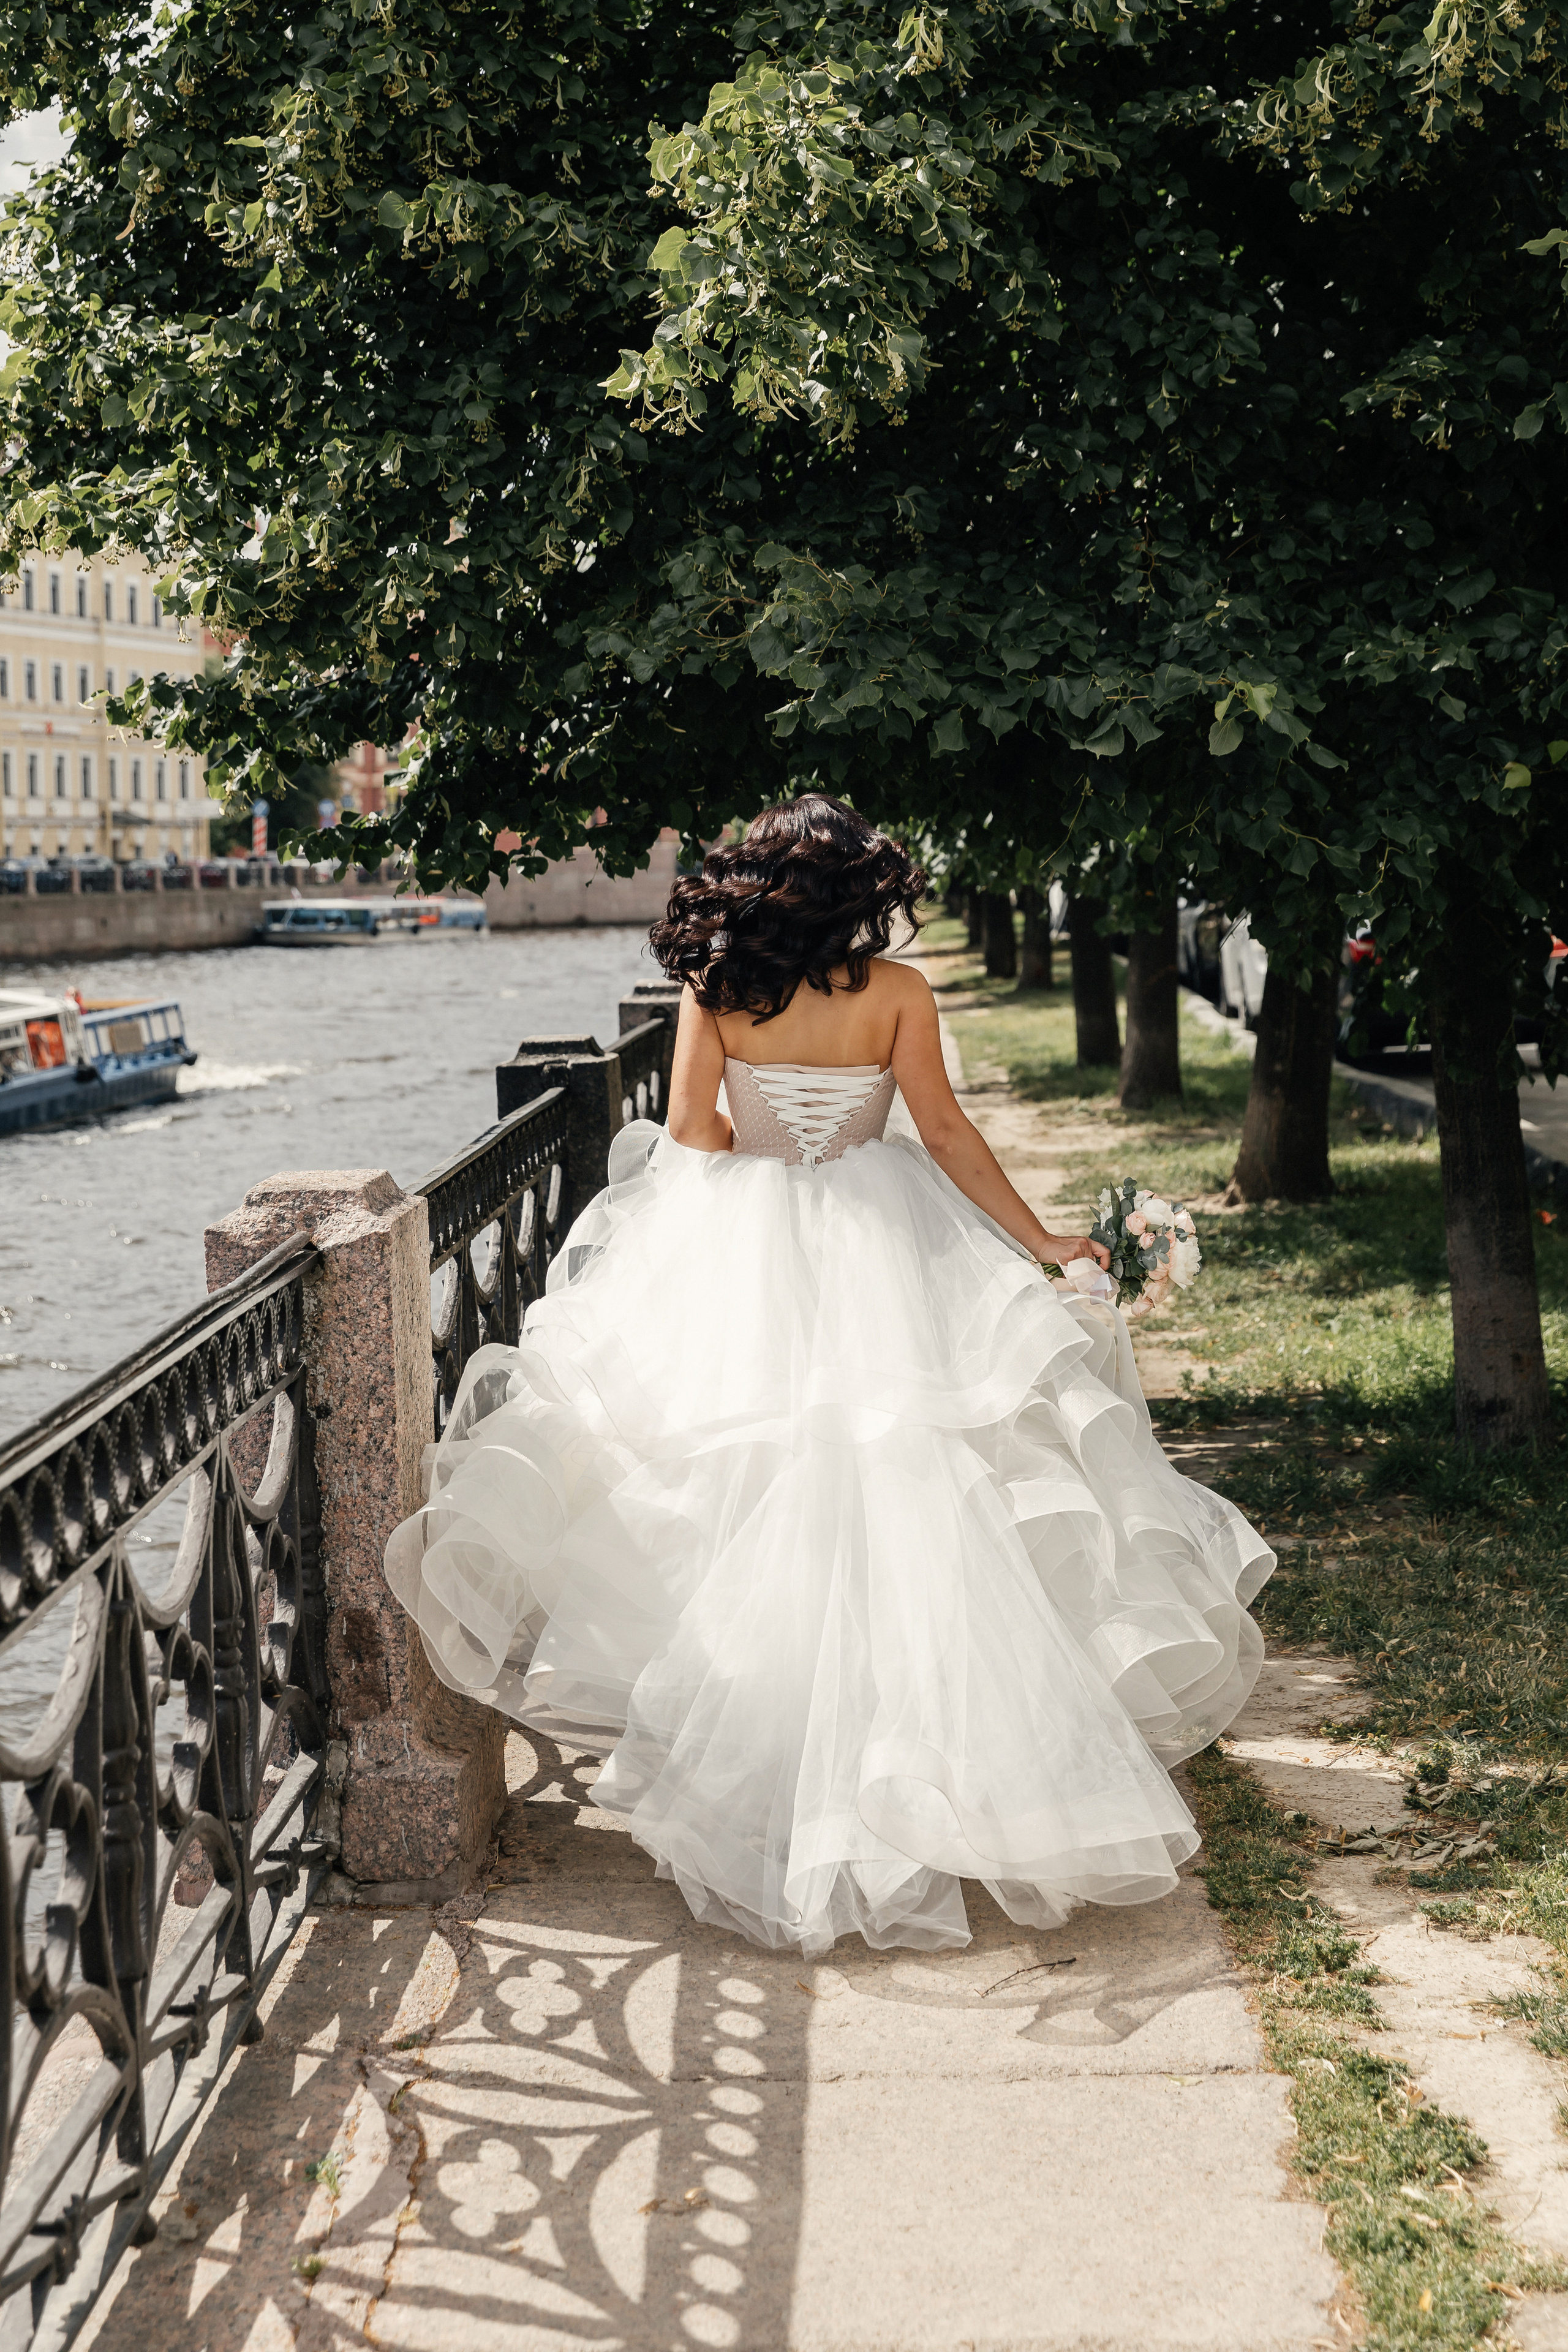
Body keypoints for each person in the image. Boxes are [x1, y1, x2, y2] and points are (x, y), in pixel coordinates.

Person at [385, 794, 1272, 1954]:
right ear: (861, 888)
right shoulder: (899, 994)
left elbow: (695, 1133)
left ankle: (771, 1770)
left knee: (744, 1493)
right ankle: (929, 1773)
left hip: (751, 1240)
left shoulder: (718, 987)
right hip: (883, 1234)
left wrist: (764, 1162)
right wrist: (1041, 1240)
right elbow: (945, 1135)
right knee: (915, 1495)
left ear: (757, 883)